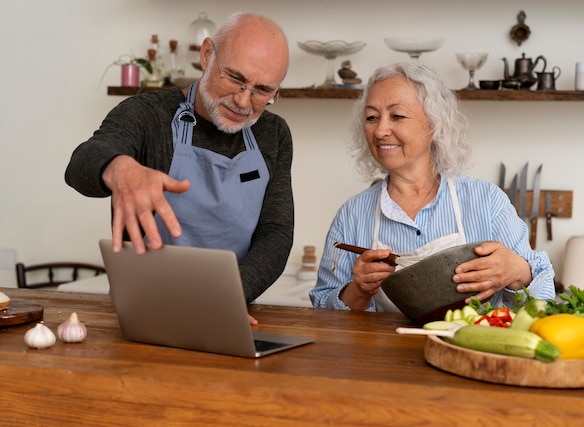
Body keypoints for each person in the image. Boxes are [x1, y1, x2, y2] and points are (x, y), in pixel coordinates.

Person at [65, 12, 294, 311]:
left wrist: (227, 296)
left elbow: (275, 232)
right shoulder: (146, 116)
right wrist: (117, 167)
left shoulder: (273, 133)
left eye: (262, 90)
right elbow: (80, 165)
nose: (243, 101)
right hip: (142, 308)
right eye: (235, 78)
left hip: (226, 309)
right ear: (207, 54)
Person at [310, 62, 555, 312]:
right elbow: (323, 310)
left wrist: (517, 272)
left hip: (468, 349)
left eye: (397, 116)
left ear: (433, 124)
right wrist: (358, 290)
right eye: (372, 117)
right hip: (386, 352)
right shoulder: (351, 215)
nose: (381, 130)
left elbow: (545, 298)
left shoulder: (487, 201)